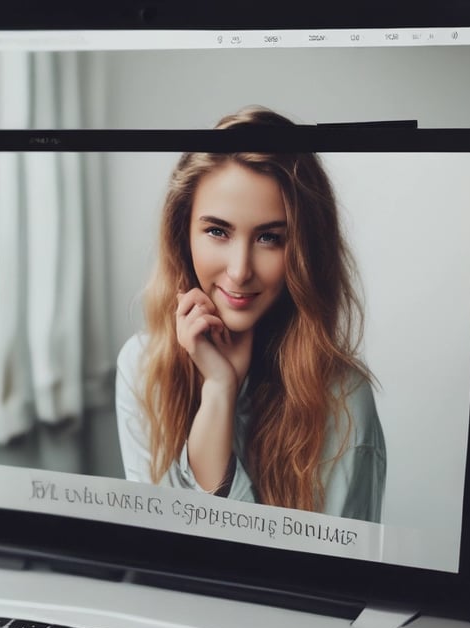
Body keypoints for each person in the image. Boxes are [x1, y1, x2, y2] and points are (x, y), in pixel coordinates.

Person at [116, 106, 386, 523]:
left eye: (269, 238)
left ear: (303, 250)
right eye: (217, 231)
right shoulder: (142, 366)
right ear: (182, 233)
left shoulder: (344, 400)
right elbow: (159, 548)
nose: (240, 270)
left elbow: (338, 582)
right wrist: (220, 389)